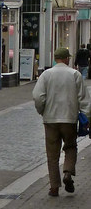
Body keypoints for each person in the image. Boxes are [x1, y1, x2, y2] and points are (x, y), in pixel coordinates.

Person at [33, 46, 91, 197]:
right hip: (69, 119)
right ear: (66, 59)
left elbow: (38, 97)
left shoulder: (46, 74)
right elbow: (84, 99)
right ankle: (67, 172)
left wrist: (42, 111)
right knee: (70, 147)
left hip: (50, 119)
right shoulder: (75, 74)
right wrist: (87, 117)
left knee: (52, 155)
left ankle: (54, 187)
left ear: (55, 59)